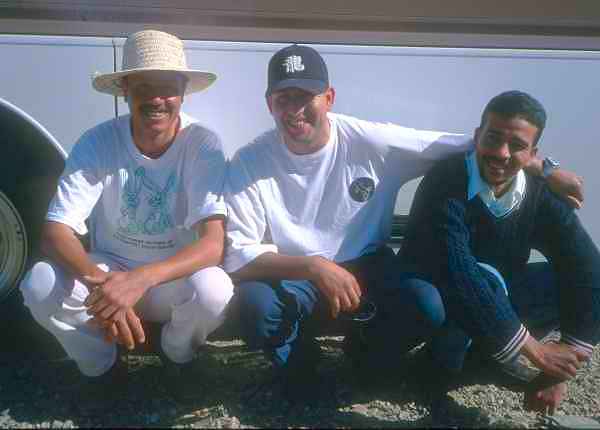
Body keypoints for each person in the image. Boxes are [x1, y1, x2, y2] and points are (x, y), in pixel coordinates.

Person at [224, 44, 585, 403]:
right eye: (283, 99)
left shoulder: (370, 141)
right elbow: (239, 254)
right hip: (297, 274)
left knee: (425, 304)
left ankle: (366, 358)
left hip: (367, 266)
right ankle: (303, 368)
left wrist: (543, 167)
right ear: (269, 103)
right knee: (255, 306)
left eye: (305, 97)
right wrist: (314, 267)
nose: (294, 110)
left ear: (329, 98)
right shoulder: (249, 161)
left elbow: (465, 144)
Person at [19, 30, 233, 404]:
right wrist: (103, 286)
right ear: (125, 91)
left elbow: (213, 244)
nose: (156, 98)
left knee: (215, 290)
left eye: (167, 87)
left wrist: (141, 279)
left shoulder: (202, 142)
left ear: (183, 92)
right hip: (109, 270)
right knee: (39, 284)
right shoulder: (98, 141)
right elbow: (55, 232)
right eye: (144, 86)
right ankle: (101, 365)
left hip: (169, 277)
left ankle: (176, 355)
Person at [400, 91, 599, 415]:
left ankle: (484, 363)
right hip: (441, 294)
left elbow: (585, 266)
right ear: (477, 135)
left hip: (495, 294)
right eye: (493, 138)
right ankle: (427, 376)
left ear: (533, 154)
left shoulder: (538, 193)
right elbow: (459, 274)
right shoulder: (446, 180)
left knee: (569, 277)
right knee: (455, 293)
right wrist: (537, 352)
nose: (502, 153)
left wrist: (561, 366)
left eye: (517, 145)